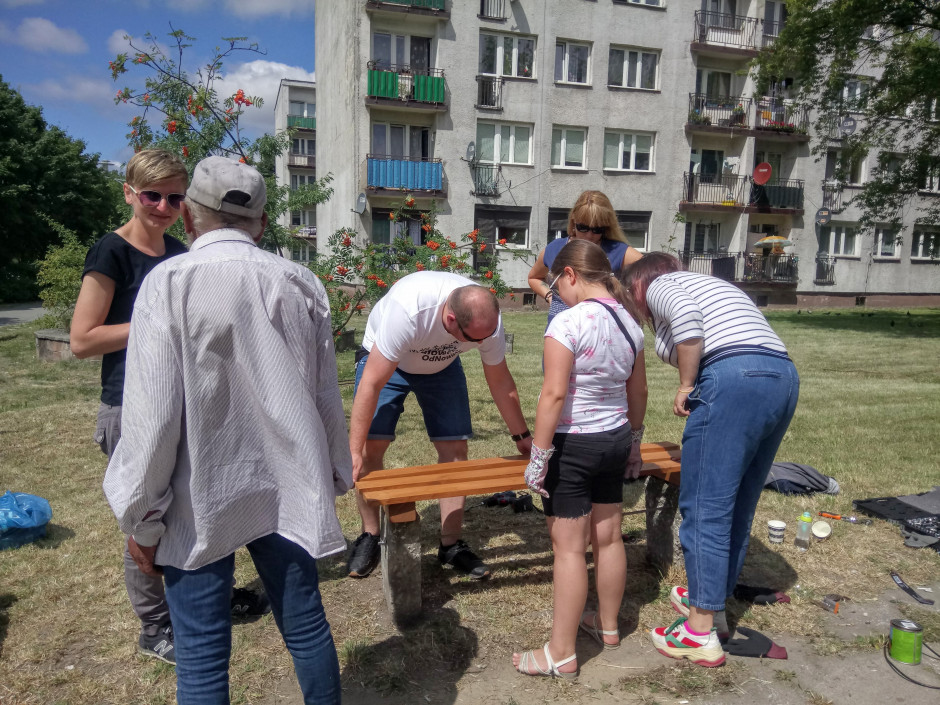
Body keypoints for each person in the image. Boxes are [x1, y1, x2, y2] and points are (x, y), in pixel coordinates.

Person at [103, 156, 351, 704]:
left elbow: (154, 416)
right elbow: (324, 395)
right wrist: (330, 476)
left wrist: (143, 517)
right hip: (284, 484)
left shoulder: (167, 283)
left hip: (199, 494)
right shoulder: (299, 281)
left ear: (189, 217)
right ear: (261, 224)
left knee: (200, 655)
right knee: (306, 626)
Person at [620, 252, 799, 668]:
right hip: (782, 379)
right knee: (738, 501)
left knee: (705, 506)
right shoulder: (716, 286)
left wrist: (685, 384)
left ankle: (699, 631)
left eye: (631, 299)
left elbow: (685, 320)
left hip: (733, 378)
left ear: (637, 286)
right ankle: (712, 600)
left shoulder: (664, 283)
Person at [70, 149, 190, 663]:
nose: (163, 206)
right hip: (130, 406)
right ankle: (154, 628)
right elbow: (82, 339)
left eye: (174, 197)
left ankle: (188, 606)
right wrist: (152, 322)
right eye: (152, 195)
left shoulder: (180, 252)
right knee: (144, 518)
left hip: (180, 400)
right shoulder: (111, 253)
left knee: (182, 511)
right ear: (129, 192)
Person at [514, 239, 647, 679]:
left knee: (568, 550)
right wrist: (635, 441)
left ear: (570, 275)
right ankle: (608, 627)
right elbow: (638, 391)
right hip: (614, 439)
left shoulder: (567, 324)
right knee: (608, 538)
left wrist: (539, 455)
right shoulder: (631, 322)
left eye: (556, 284)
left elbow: (553, 394)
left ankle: (560, 653)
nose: (556, 293)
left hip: (573, 446)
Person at [347, 271, 533, 580]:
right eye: (475, 340)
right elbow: (371, 384)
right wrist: (353, 451)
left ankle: (450, 545)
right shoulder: (409, 312)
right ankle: (370, 535)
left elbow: (499, 379)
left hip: (443, 367)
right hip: (388, 361)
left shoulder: (485, 322)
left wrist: (521, 436)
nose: (482, 343)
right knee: (370, 449)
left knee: (455, 451)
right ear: (449, 319)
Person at [527, 190, 642, 326]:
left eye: (597, 229)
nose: (589, 235)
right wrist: (549, 296)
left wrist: (628, 301)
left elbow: (653, 273)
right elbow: (533, 277)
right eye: (583, 227)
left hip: (603, 333)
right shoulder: (555, 248)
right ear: (573, 220)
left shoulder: (617, 251)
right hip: (561, 331)